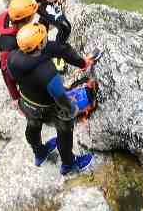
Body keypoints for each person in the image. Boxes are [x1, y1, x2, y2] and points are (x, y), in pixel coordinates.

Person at [7, 22, 95, 175]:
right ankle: (68, 164)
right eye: (44, 38)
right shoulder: (47, 72)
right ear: (39, 45)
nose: (46, 38)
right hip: (47, 108)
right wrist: (73, 109)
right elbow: (61, 98)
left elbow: (10, 77)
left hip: (26, 102)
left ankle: (39, 152)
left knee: (32, 126)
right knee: (64, 130)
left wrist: (16, 98)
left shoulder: (12, 57)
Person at [0, 0, 40, 106]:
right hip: (17, 67)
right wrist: (15, 97)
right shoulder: (8, 44)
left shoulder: (14, 16)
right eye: (32, 15)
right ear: (26, 19)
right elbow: (6, 72)